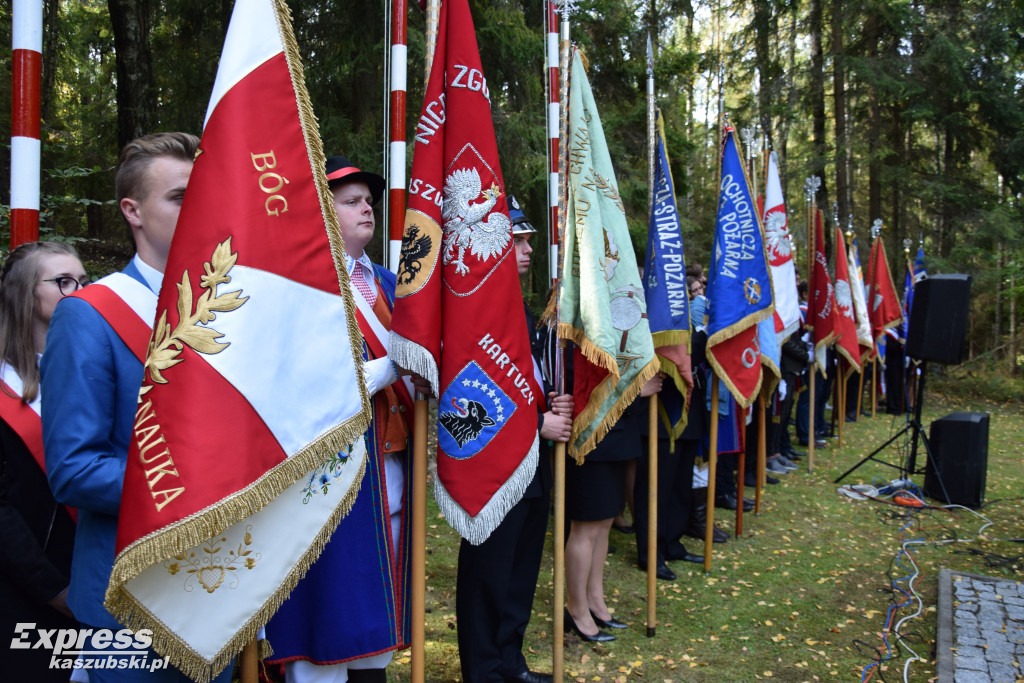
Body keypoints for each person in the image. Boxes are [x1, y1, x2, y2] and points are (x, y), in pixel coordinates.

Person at [42, 132, 236, 682]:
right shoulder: (89, 315)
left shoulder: (227, 311)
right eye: (178, 197)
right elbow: (75, 470)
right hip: (130, 597)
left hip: (219, 588)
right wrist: (199, 489)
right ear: (132, 211)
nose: (198, 207)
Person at [265, 155, 413, 683]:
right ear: (323, 213)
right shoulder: (301, 286)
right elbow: (295, 384)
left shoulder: (393, 285)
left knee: (382, 600)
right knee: (330, 606)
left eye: (368, 201)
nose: (365, 209)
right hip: (332, 471)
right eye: (350, 202)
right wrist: (391, 366)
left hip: (393, 463)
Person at [456, 194, 572, 683]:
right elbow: (469, 393)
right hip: (494, 464)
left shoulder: (523, 312)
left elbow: (522, 383)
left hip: (531, 465)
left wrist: (551, 403)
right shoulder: (477, 310)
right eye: (518, 241)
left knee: (521, 569)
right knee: (490, 571)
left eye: (528, 241)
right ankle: (484, 669)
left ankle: (509, 661)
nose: (527, 250)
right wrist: (535, 424)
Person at [1, 242, 86, 680]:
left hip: (97, 576)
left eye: (84, 282)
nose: (79, 292)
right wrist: (52, 588)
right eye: (63, 282)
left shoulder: (90, 370)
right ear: (22, 293)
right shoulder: (4, 384)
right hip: (27, 594)